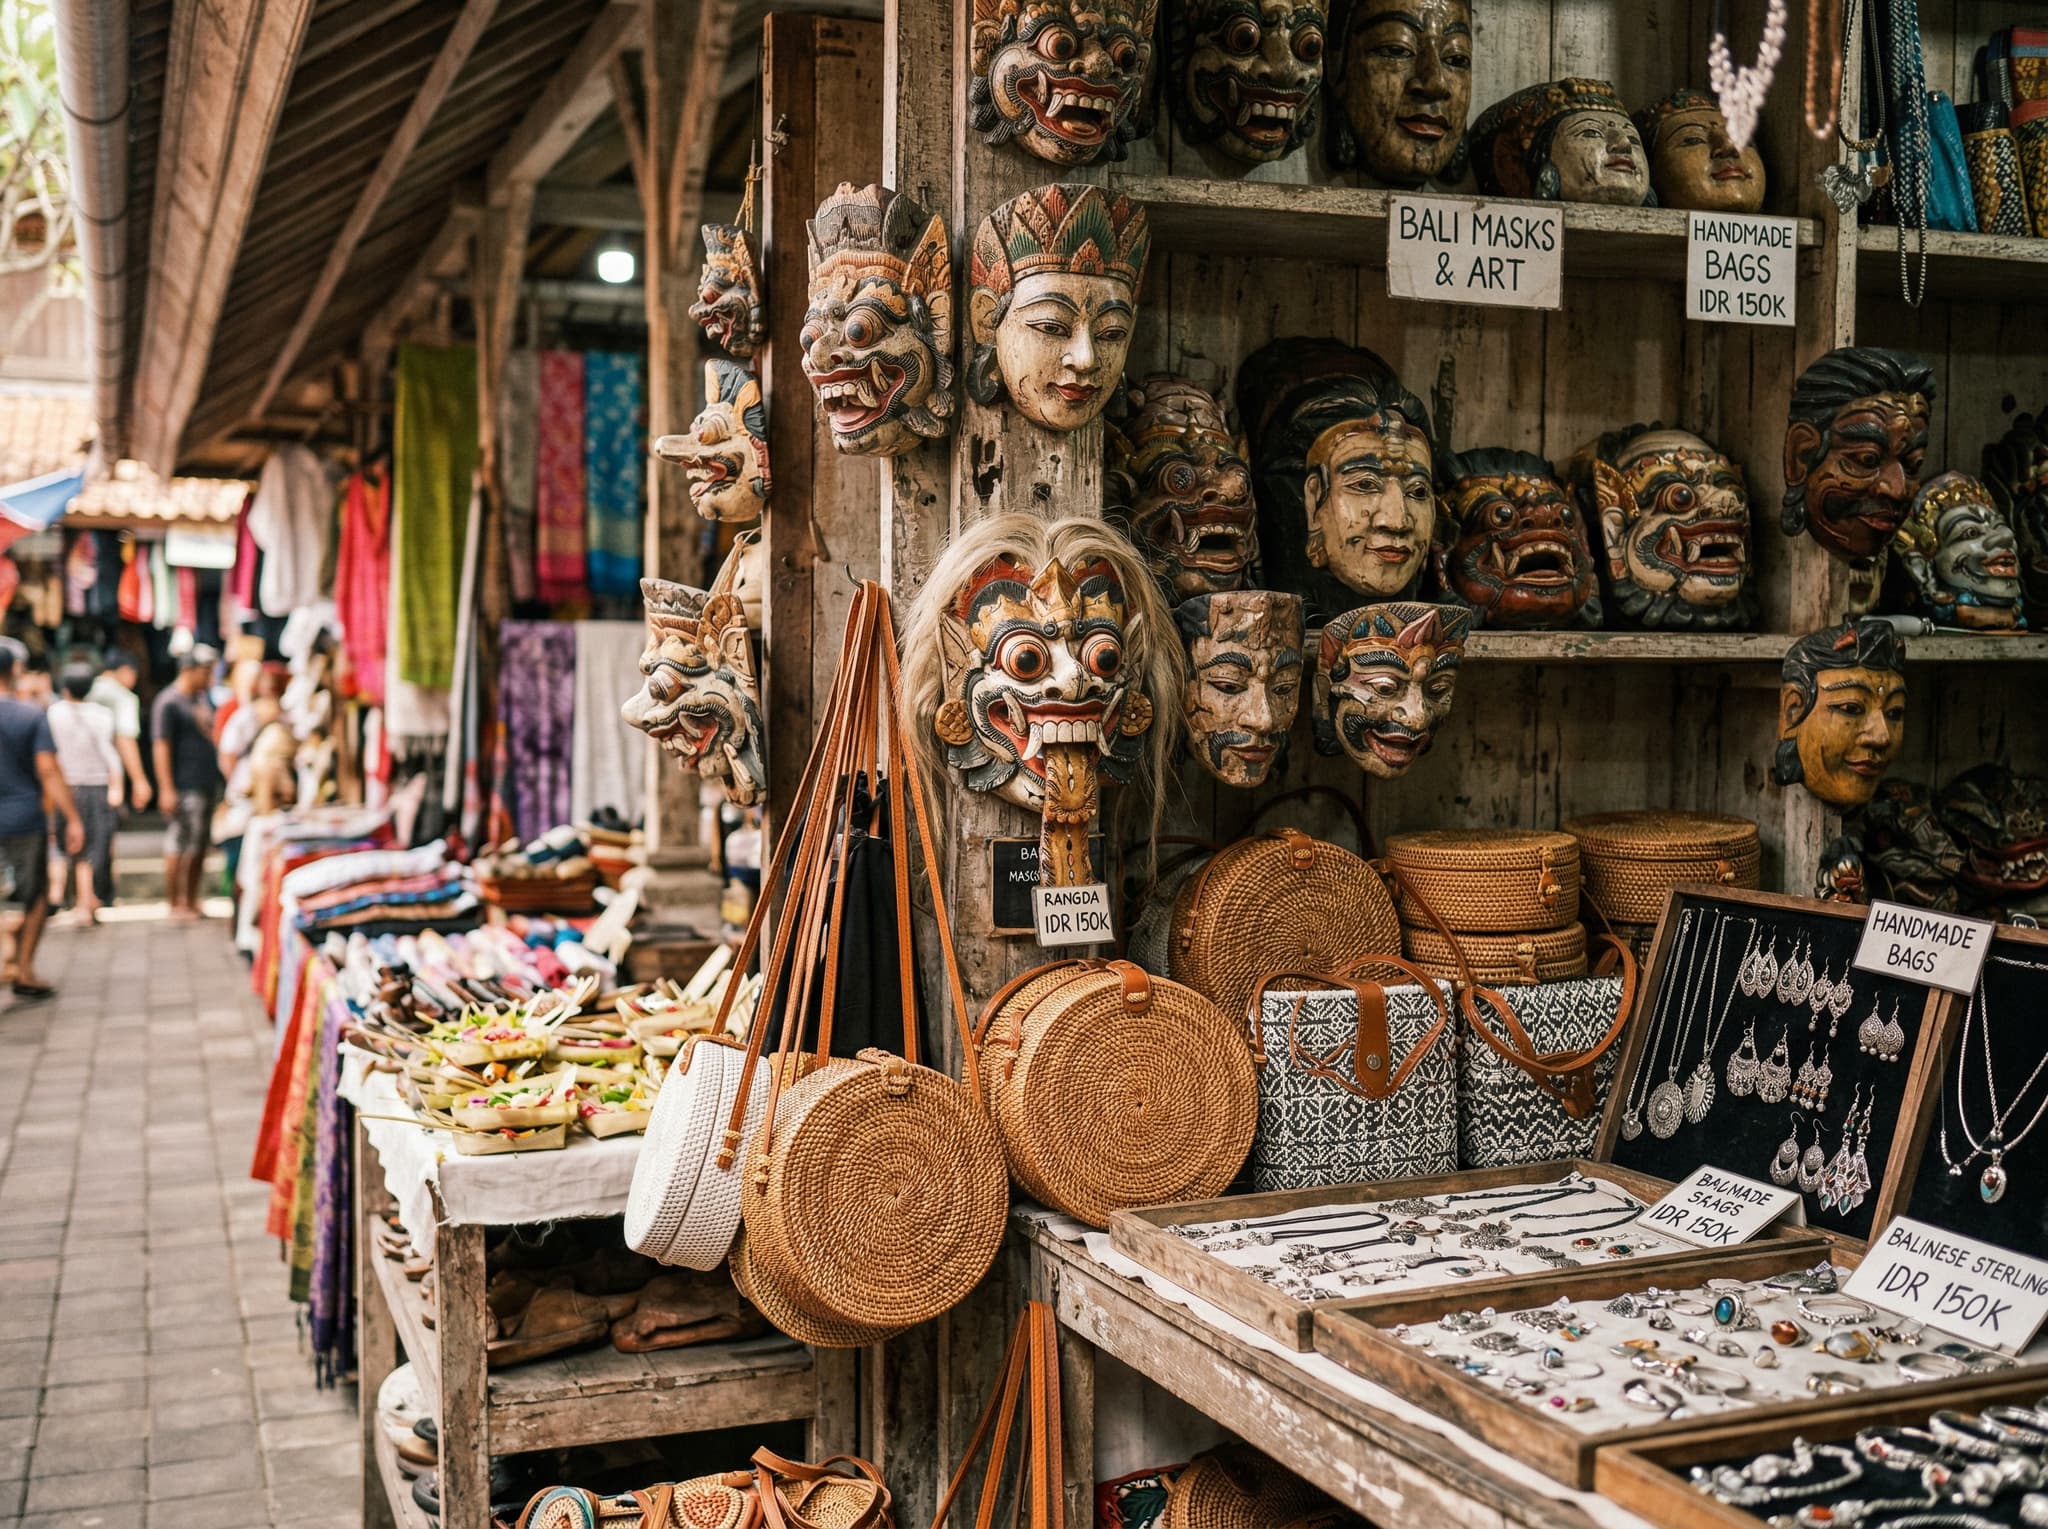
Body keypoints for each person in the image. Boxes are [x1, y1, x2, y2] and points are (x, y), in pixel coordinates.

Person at [0, 641, 84, 997]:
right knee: (33, 896)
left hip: (21, 818)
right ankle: (23, 968)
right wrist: (73, 818)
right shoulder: (30, 714)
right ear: (15, 671)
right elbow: (48, 770)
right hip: (24, 819)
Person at [45, 667, 124, 924]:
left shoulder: (54, 714)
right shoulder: (102, 715)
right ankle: (86, 900)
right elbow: (110, 753)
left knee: (72, 844)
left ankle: (81, 900)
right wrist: (117, 786)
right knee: (94, 844)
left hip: (65, 786)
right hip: (97, 785)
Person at [153, 647, 222, 920]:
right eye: (205, 672)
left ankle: (191, 899)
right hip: (182, 784)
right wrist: (166, 787)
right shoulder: (169, 702)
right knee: (179, 844)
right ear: (188, 670)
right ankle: (174, 902)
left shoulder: (204, 700)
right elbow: (161, 746)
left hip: (205, 781)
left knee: (199, 845)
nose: (209, 678)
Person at [88, 650, 153, 816]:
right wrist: (139, 780)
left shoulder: (84, 690)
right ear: (126, 671)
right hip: (106, 777)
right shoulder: (123, 697)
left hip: (73, 775)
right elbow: (125, 738)